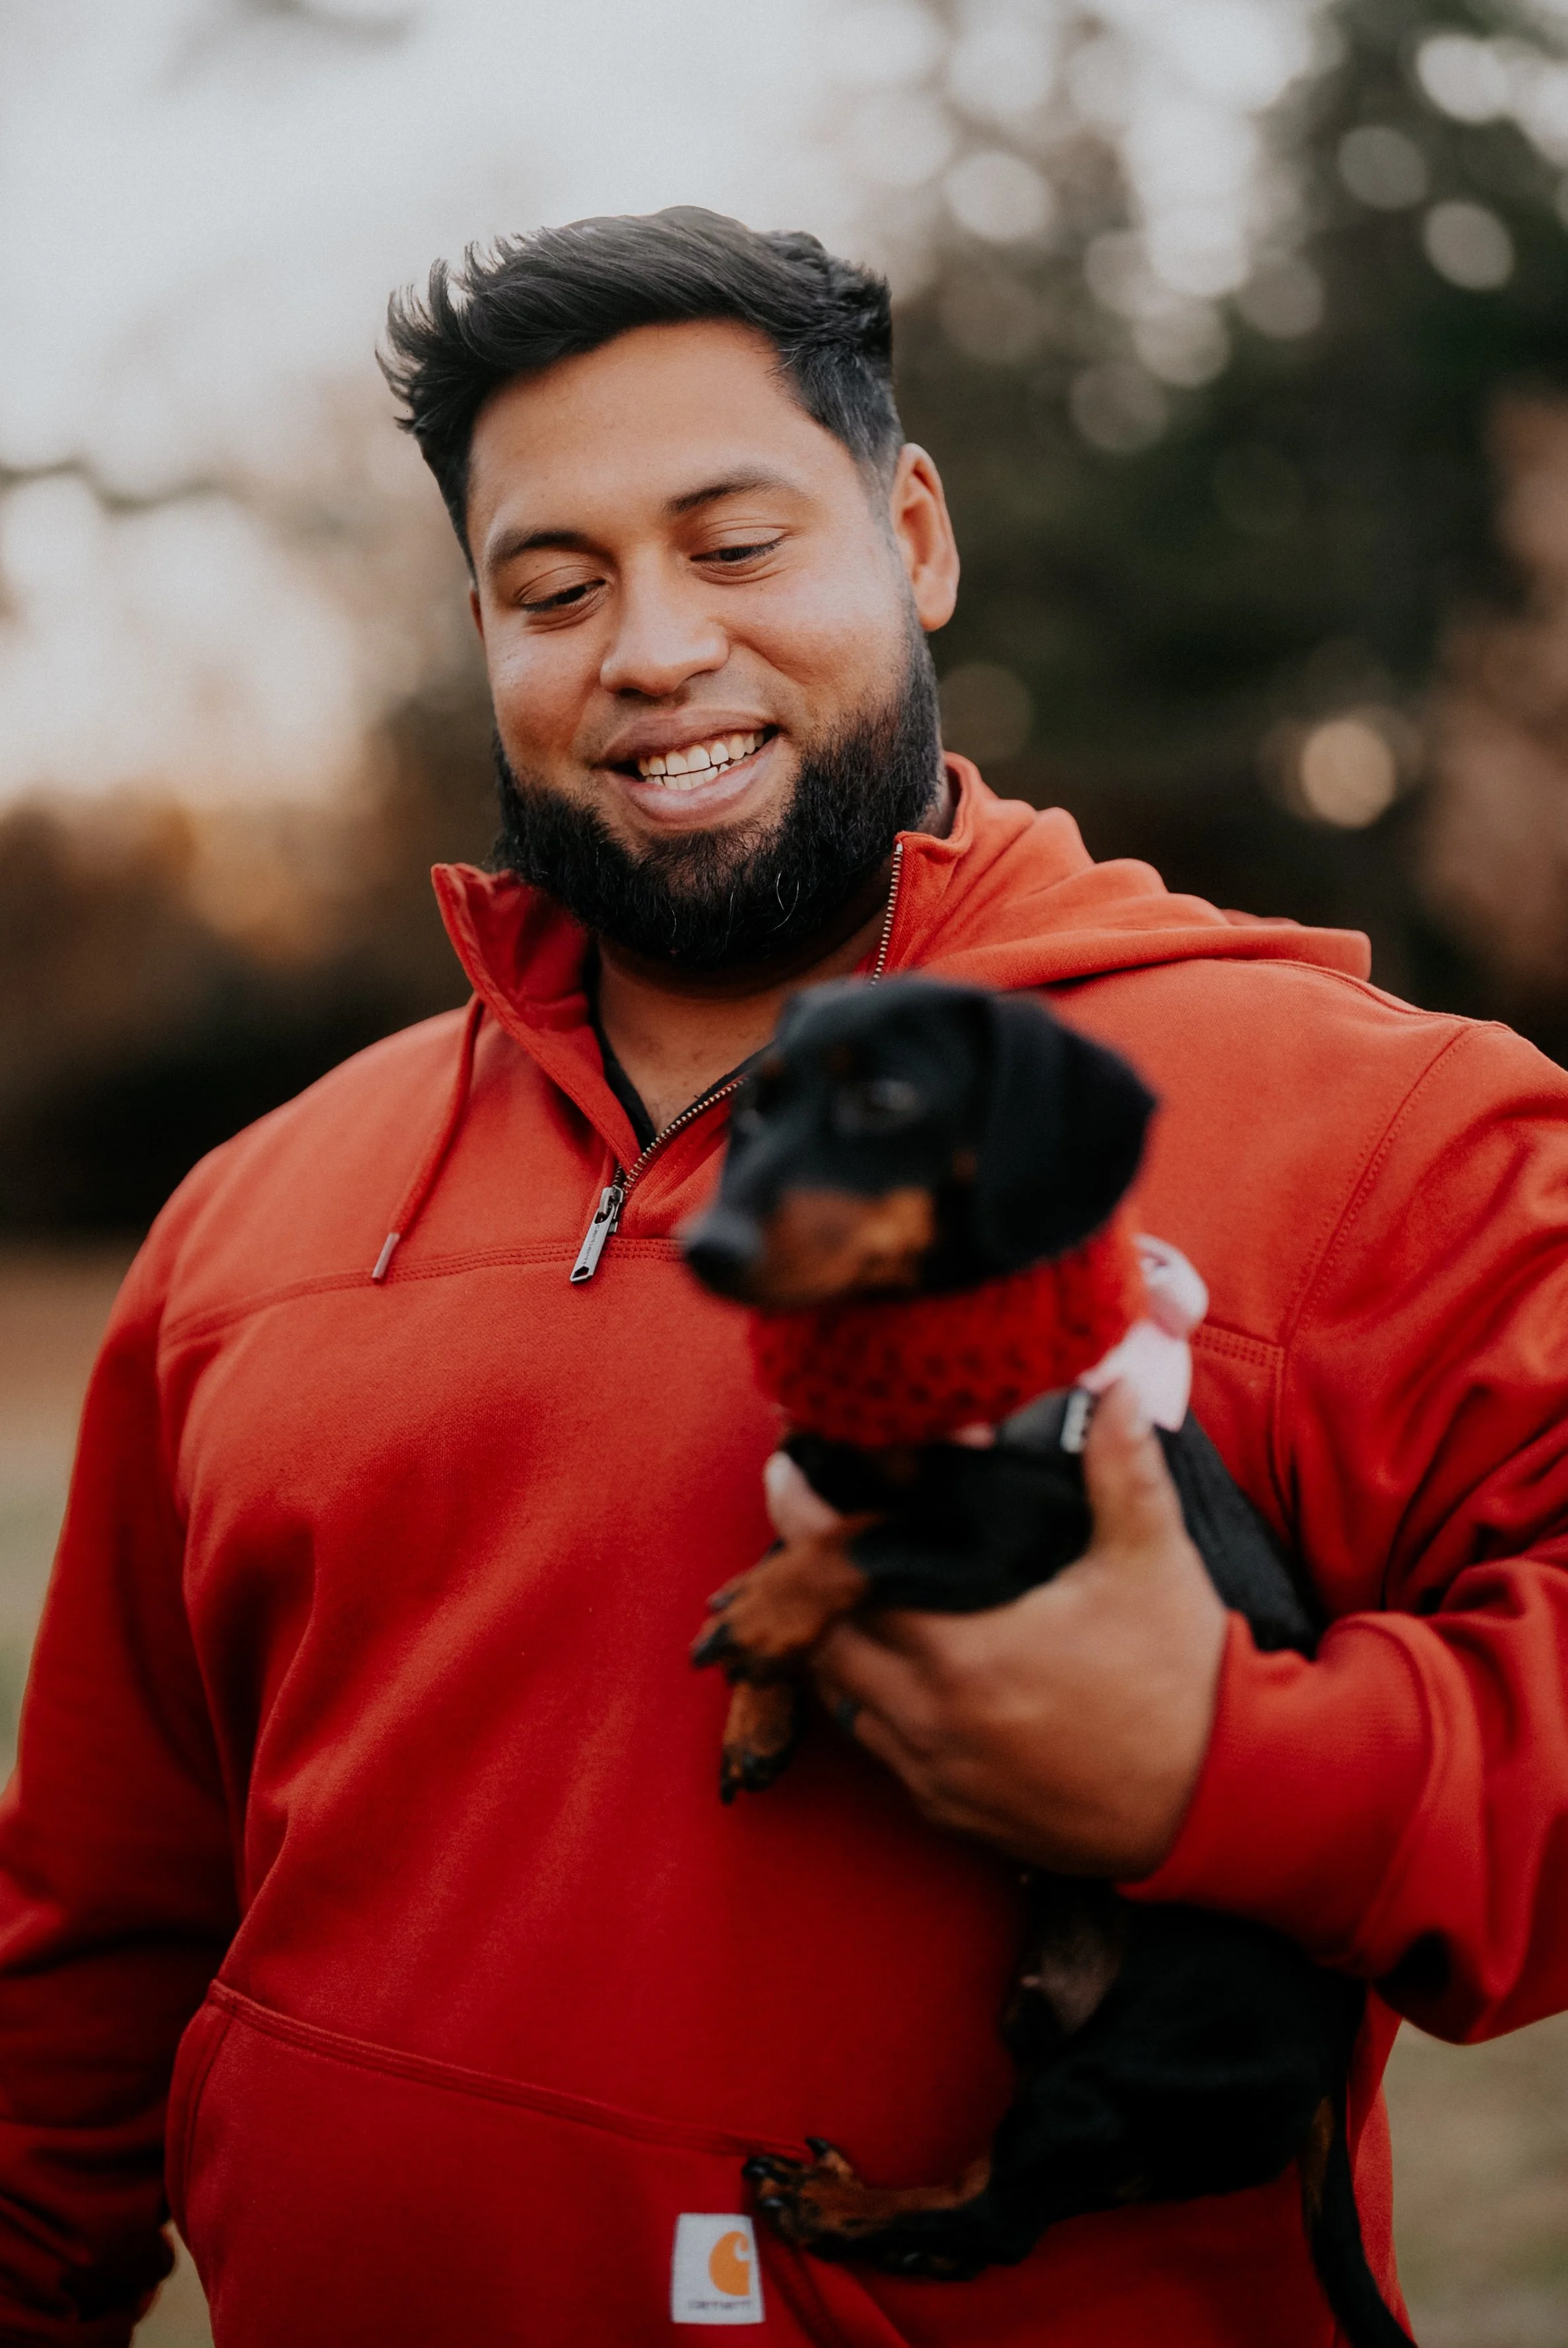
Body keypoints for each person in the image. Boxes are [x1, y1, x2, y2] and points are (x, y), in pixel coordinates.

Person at [1, 206, 1565, 2348]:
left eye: (735, 545)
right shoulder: (250, 1215)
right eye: (555, 588)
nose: (652, 649)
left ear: (911, 537)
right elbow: (92, 1942)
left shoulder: (1391, 1130)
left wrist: (1225, 1764)